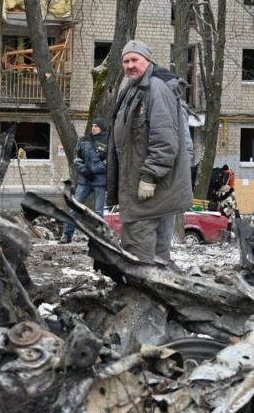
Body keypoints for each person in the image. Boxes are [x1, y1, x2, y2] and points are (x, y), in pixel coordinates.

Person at [106, 40, 192, 264]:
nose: (130, 65)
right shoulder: (133, 89)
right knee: (155, 251)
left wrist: (149, 176)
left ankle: (140, 295)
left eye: (135, 60)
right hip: (138, 186)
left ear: (148, 61)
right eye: (126, 61)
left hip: (148, 189)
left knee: (139, 250)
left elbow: (165, 140)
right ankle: (157, 292)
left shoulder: (155, 89)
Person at [60, 119, 109, 243]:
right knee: (74, 208)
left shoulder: (109, 141)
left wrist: (94, 170)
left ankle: (98, 238)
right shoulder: (84, 140)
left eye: (96, 126)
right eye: (92, 125)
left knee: (98, 211)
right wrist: (85, 171)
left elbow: (110, 161)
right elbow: (76, 159)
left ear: (102, 128)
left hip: (100, 181)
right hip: (84, 180)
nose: (93, 128)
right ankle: (67, 235)